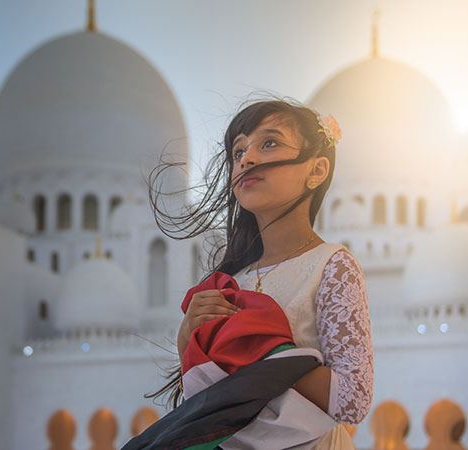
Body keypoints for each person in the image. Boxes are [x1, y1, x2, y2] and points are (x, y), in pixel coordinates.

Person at [143, 98, 374, 449]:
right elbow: (211, 403)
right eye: (238, 151)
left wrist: (262, 351)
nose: (246, 159)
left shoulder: (332, 266)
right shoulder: (233, 280)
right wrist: (186, 341)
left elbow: (352, 398)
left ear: (316, 170)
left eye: (269, 143)